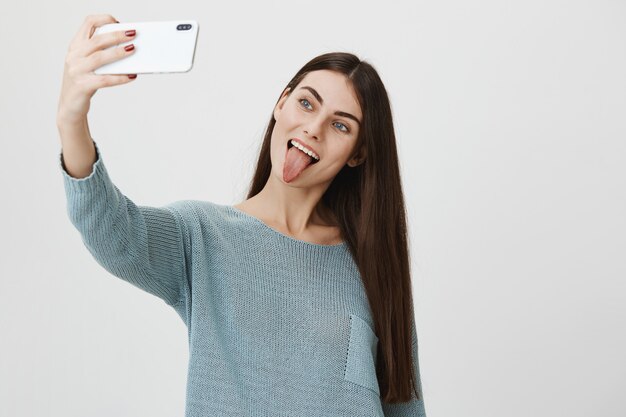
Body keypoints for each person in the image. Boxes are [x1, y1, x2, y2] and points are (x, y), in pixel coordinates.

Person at [57, 13, 426, 417]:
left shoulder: (373, 265)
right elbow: (114, 234)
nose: (314, 128)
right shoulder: (202, 236)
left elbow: (404, 407)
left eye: (340, 125)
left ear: (359, 153)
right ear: (281, 104)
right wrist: (71, 119)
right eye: (306, 103)